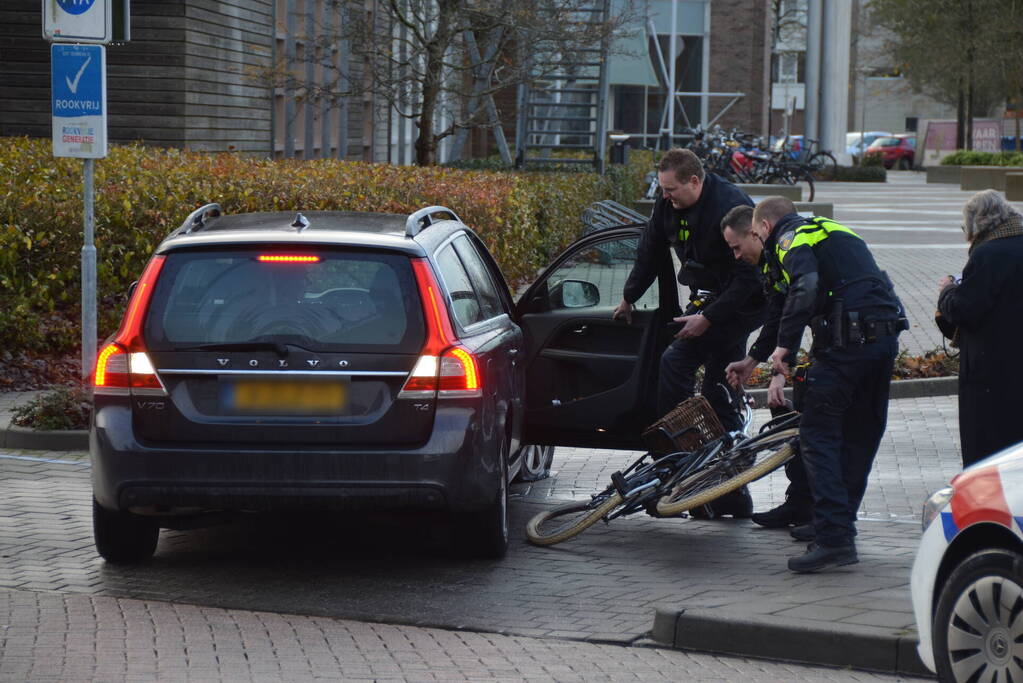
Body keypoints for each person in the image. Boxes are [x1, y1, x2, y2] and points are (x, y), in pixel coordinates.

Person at [722, 198, 905, 573]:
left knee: (817, 436)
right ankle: (834, 527)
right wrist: (755, 358)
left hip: (846, 346)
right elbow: (782, 307)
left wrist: (785, 351)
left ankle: (835, 539)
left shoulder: (792, 238)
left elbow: (804, 288)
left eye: (751, 238)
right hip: (882, 342)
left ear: (765, 229)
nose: (746, 250)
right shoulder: (828, 232)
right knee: (859, 436)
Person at [612, 148, 766, 519]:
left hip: (739, 304)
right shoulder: (668, 204)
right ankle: (685, 462)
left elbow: (749, 275)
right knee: (687, 371)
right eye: (662, 190)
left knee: (705, 378)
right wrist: (628, 298)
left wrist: (708, 318)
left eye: (671, 190)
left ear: (695, 182)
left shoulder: (730, 206)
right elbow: (650, 249)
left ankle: (722, 485)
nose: (665, 196)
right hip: (708, 298)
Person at [937, 189, 1023, 467]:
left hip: (992, 372)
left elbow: (965, 309)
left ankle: (988, 508)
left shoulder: (989, 254)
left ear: (978, 222)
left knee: (987, 452)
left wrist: (947, 290)